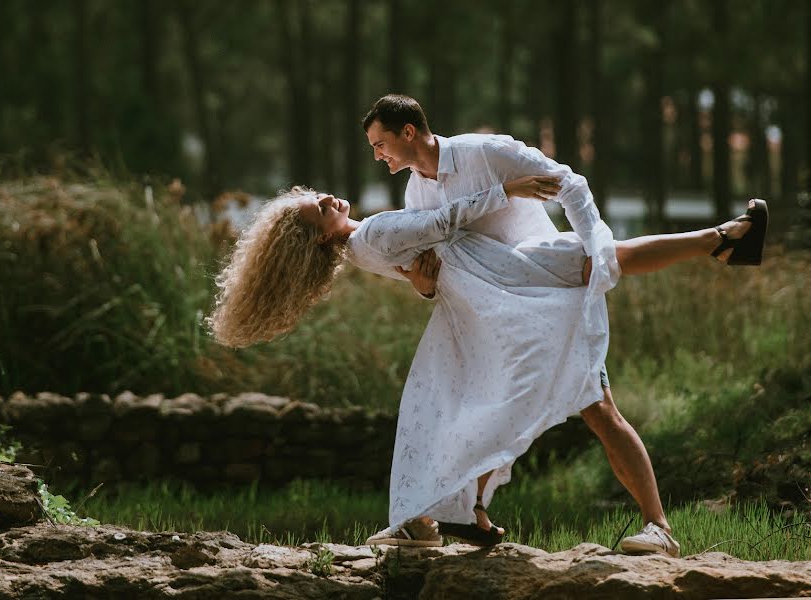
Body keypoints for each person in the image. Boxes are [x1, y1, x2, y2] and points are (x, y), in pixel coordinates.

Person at [206, 176, 767, 557]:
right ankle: (717, 240)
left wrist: (424, 285)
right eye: (322, 208)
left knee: (504, 399)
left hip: (496, 298)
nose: (332, 199)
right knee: (600, 279)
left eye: (321, 196)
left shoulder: (366, 245)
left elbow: (424, 269)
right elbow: (447, 221)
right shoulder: (371, 235)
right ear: (318, 236)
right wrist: (508, 186)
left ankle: (466, 513)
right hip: (509, 293)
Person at [353, 94, 767, 556]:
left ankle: (660, 529)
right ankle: (473, 516)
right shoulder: (417, 192)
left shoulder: (484, 153)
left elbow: (570, 183)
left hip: (553, 296)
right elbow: (439, 263)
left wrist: (595, 250)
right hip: (504, 322)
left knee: (599, 411)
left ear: (408, 132)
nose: (377, 155)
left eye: (380, 143)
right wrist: (423, 287)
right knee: (490, 406)